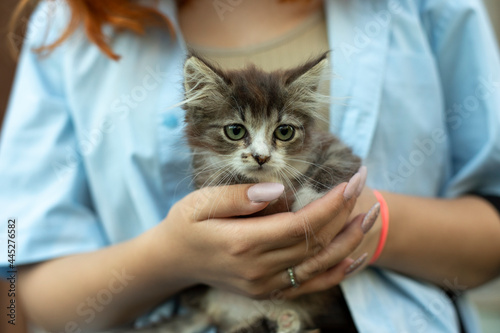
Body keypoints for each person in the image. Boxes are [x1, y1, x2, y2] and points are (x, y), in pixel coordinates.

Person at [1, 0, 500, 332]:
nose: (261, 154)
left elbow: (490, 240)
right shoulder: (67, 20)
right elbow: (16, 269)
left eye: (283, 133)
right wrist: (171, 258)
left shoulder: (430, 7)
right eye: (238, 133)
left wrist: (372, 225)